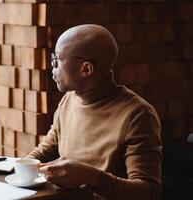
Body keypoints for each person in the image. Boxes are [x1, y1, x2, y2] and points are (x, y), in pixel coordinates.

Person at [26, 24, 162, 200]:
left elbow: (149, 193)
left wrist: (91, 177)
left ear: (86, 69)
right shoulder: (69, 99)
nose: (53, 68)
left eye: (57, 61)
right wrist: (17, 168)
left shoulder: (137, 114)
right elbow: (46, 150)